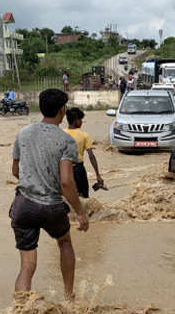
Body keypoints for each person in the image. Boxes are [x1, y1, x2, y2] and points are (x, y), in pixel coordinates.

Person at [9, 89, 89, 302]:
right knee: (64, 243)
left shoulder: (23, 133)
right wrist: (80, 212)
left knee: (27, 266)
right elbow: (66, 181)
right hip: (52, 207)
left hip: (23, 205)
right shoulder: (66, 141)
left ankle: (21, 313)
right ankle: (69, 297)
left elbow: (15, 172)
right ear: (62, 110)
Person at [64, 107, 107, 199]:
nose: (82, 122)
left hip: (64, 169)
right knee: (84, 197)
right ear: (76, 121)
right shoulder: (84, 135)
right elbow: (91, 156)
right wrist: (97, 174)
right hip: (78, 169)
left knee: (66, 196)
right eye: (81, 120)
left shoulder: (61, 133)